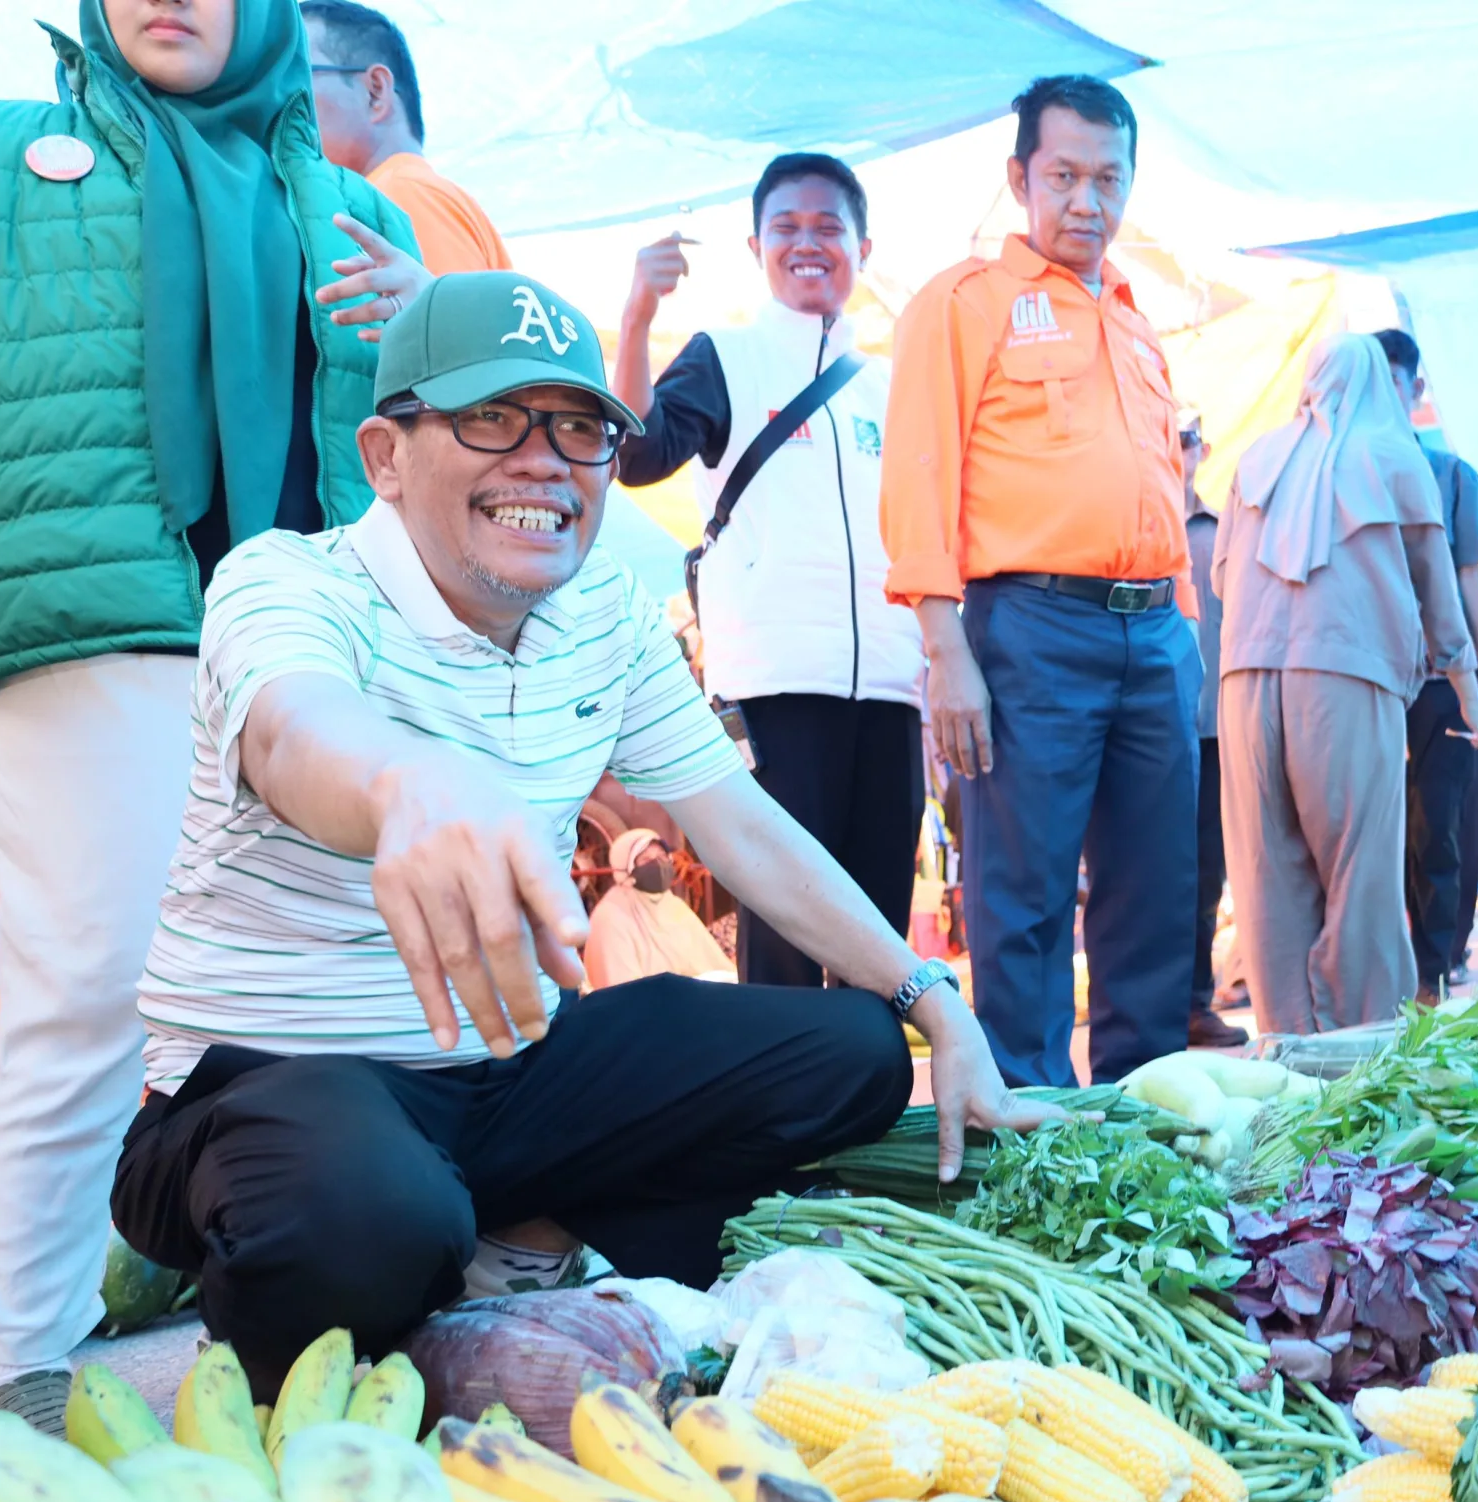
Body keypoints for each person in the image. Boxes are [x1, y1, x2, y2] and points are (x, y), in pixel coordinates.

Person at [111, 271, 1042, 1392]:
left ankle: (507, 1246)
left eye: (580, 429)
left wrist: (930, 999)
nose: (544, 461)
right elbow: (293, 729)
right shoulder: (290, 581)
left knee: (848, 1056)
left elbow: (738, 822)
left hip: (509, 1074)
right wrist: (407, 784)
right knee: (362, 1220)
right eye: (491, 419)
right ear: (386, 454)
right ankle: (385, 1270)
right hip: (276, 1078)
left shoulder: (599, 606)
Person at [0, 0, 427, 1432]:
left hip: (300, 638)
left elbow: (423, 451)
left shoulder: (344, 202)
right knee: (88, 989)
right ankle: (30, 1382)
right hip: (83, 615)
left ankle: (263, 1340)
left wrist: (413, 330)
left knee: (306, 1003)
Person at [881, 75, 1198, 1086]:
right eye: (1063, 175)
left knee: (1155, 894)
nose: (1086, 201)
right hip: (1029, 626)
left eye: (1109, 178)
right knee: (1020, 898)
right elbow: (920, 471)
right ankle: (1030, 1125)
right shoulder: (963, 304)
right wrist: (947, 652)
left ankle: (1147, 1115)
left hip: (1154, 635)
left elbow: (1162, 485)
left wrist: (1183, 631)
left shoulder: (1137, 321)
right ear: (1020, 177)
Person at [612, 152, 924, 990]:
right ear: (757, 246)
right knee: (784, 930)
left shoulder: (895, 386)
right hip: (778, 691)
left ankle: (875, 1104)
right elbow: (638, 454)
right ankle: (784, 1116)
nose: (808, 243)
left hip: (894, 688)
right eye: (786, 227)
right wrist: (639, 314)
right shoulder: (729, 356)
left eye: (830, 227)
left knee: (881, 928)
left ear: (864, 247)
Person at [1213, 335, 1478, 1034]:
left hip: (1244, 685)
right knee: (1360, 877)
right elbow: (1442, 595)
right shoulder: (1396, 456)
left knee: (1268, 883)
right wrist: (1474, 700)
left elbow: (1224, 577)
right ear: (1384, 384)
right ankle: (1368, 1053)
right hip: (1342, 679)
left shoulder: (1255, 461)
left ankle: (1288, 1053)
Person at [1373, 329, 1478, 1000]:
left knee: (1439, 831)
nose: (1381, 400)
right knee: (1378, 832)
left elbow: (1469, 581)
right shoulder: (1345, 476)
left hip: (1440, 686)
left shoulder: (1453, 476)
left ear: (1415, 391)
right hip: (1368, 686)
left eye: (1392, 386)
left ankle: (1434, 973)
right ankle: (1395, 974)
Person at [302, 0, 509, 274]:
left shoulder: (399, 194)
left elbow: (444, 317)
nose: (283, 99)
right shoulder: (413, 191)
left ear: (375, 91)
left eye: (300, 75)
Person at [1180, 422, 1248, 1047]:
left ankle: (1195, 1005)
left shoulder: (1221, 529)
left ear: (1201, 449)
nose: (1178, 451)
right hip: (1142, 727)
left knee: (1205, 875)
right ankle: (1150, 1006)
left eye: (1187, 439)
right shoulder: (1128, 529)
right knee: (1139, 875)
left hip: (1211, 730)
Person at [582, 830, 735, 986]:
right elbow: (620, 991)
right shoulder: (610, 916)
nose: (658, 865)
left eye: (662, 857)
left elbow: (714, 965)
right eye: (646, 859)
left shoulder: (675, 906)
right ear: (626, 867)